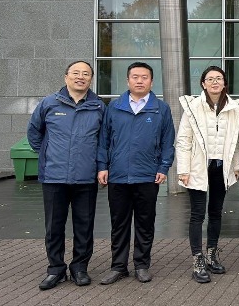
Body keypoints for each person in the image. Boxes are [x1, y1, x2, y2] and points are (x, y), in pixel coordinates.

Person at [28, 61, 105, 290]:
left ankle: (79, 268)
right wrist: (47, 153)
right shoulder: (49, 103)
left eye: (86, 74)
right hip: (54, 176)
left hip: (86, 177)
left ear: (91, 79)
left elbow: (104, 141)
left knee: (84, 226)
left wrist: (100, 166)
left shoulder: (99, 106)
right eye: (76, 73)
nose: (80, 77)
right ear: (66, 77)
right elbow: (34, 132)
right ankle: (56, 269)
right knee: (54, 227)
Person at [97, 62, 175, 285]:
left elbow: (168, 142)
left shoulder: (161, 109)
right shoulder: (114, 107)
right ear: (127, 80)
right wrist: (102, 166)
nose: (139, 81)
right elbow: (103, 140)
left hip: (147, 175)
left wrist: (163, 167)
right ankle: (118, 266)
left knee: (145, 223)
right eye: (135, 77)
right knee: (119, 223)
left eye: (144, 77)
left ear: (152, 81)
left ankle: (141, 265)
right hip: (118, 175)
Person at [176, 66, 239, 283]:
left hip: (221, 168)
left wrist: (237, 166)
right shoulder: (192, 107)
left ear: (224, 83)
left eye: (219, 78)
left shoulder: (234, 108)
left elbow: (237, 141)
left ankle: (212, 255)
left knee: (216, 212)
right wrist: (183, 169)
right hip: (198, 167)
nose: (215, 82)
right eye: (210, 79)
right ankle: (197, 260)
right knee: (197, 214)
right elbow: (183, 140)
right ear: (203, 84)